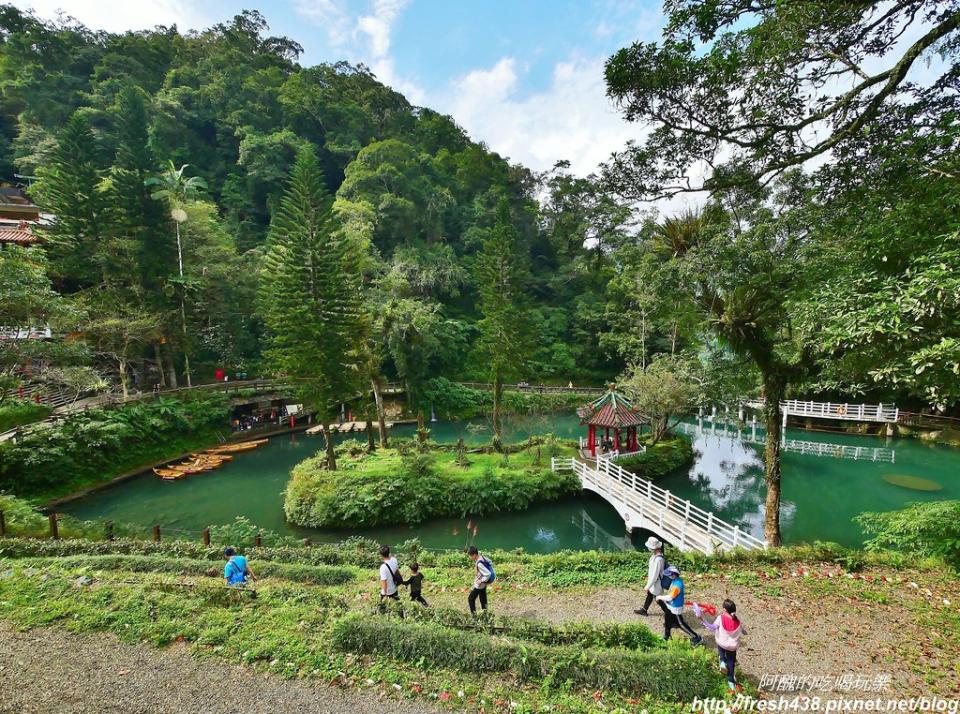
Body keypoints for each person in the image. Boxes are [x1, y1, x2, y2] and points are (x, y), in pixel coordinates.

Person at [697, 599, 745, 692]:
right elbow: (742, 630)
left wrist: (703, 620)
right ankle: (731, 682)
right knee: (731, 662)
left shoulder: (720, 618)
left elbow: (712, 627)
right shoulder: (737, 621)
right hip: (732, 646)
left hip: (722, 643)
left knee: (720, 647)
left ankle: (722, 661)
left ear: (724, 609)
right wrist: (744, 632)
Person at [656, 565, 702, 645]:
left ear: (674, 574)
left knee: (681, 624)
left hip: (675, 607)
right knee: (667, 620)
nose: (669, 575)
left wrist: (659, 597)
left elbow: (670, 597)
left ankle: (696, 637)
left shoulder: (677, 585)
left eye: (671, 574)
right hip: (670, 606)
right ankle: (667, 636)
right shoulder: (675, 580)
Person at [634, 536, 669, 617]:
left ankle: (670, 615)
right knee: (650, 595)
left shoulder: (658, 559)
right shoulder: (656, 556)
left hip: (656, 583)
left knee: (658, 599)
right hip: (654, 583)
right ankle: (644, 610)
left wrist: (648, 586)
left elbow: (655, 575)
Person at [467, 546, 492, 615]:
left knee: (470, 599)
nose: (470, 557)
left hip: (480, 585)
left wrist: (481, 580)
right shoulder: (481, 557)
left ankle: (474, 616)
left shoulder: (479, 563)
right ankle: (485, 613)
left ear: (474, 555)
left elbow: (488, 574)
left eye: (470, 555)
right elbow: (490, 562)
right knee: (482, 598)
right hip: (484, 584)